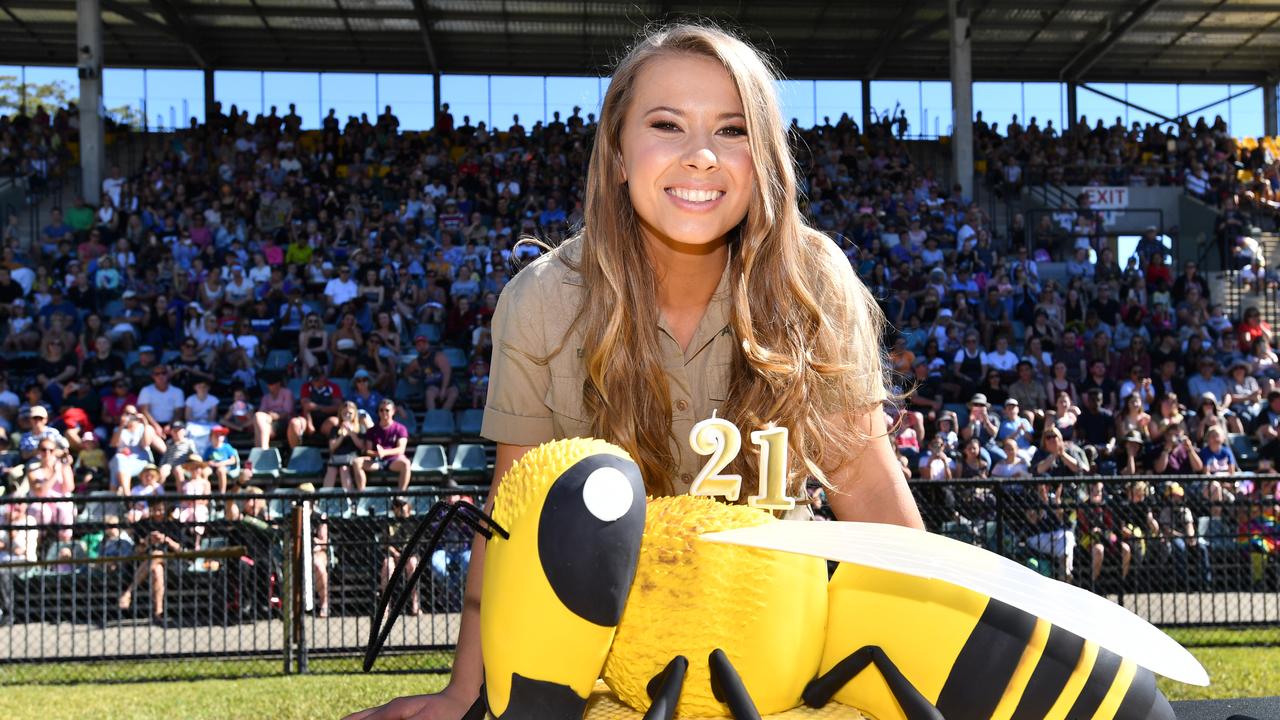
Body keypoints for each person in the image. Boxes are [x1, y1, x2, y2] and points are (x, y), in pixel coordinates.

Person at [345, 24, 922, 720]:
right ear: (617, 153)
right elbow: (511, 517)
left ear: (764, 157)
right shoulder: (543, 300)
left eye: (733, 130)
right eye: (667, 124)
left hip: (779, 663)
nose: (702, 156)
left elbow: (870, 493)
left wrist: (931, 674)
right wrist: (465, 694)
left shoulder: (814, 282)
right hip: (606, 669)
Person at [353, 399, 411, 492]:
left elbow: (401, 449)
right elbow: (367, 450)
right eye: (381, 410)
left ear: (393, 411)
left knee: (406, 463)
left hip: (394, 460)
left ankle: (401, 496)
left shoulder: (400, 428)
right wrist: (376, 454)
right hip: (376, 461)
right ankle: (361, 494)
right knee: (357, 462)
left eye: (387, 410)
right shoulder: (372, 430)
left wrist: (384, 452)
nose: (384, 412)